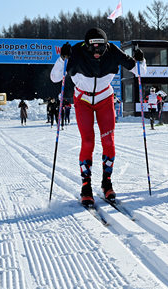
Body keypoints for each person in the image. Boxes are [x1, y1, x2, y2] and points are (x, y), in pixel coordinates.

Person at [50, 27, 146, 206]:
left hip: (104, 98)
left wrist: (141, 60)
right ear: (86, 45)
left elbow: (141, 72)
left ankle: (106, 183)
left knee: (108, 141)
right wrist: (62, 58)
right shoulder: (76, 52)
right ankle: (86, 186)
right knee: (88, 141)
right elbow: (55, 77)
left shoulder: (112, 52)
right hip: (83, 99)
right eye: (93, 47)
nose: (97, 52)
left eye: (101, 48)